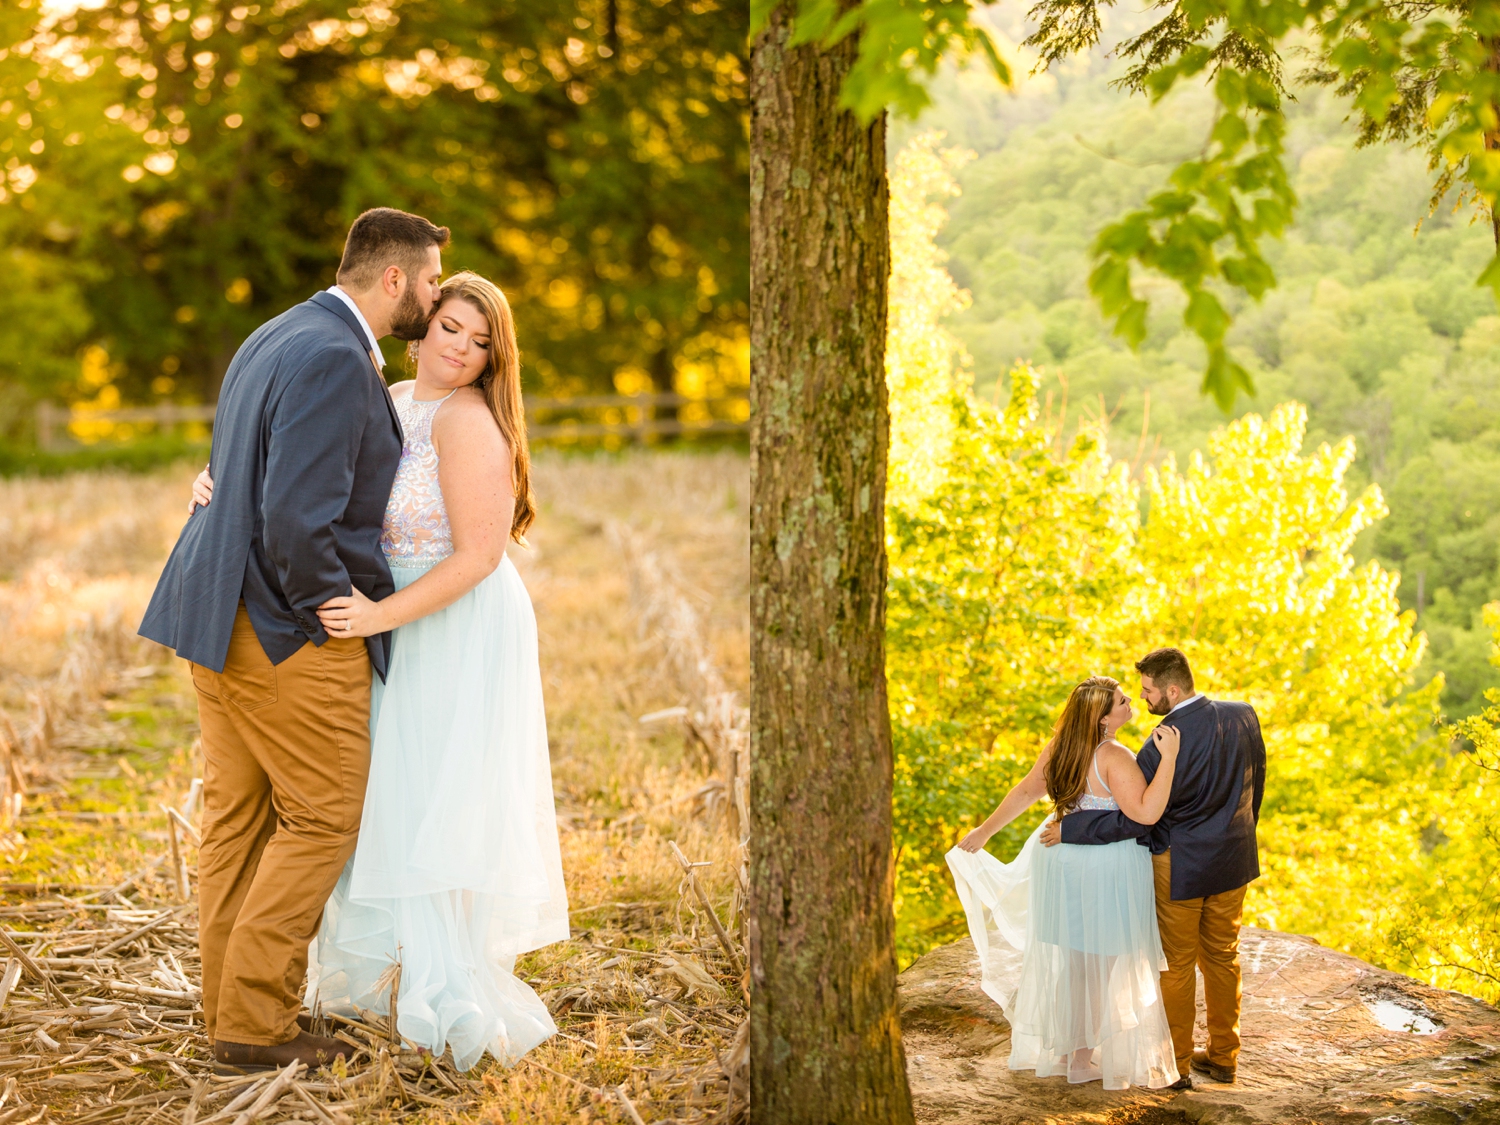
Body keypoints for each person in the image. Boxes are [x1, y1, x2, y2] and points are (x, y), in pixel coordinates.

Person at [189, 271, 569, 1071]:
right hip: (382, 618)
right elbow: (305, 481)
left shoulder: (468, 423)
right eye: (452, 327)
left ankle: (440, 980)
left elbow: (478, 556)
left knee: (432, 794)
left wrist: (374, 617)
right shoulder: (383, 394)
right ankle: (352, 983)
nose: (462, 349)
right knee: (385, 795)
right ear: (421, 324)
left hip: (444, 622)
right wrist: (218, 487)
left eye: (482, 341)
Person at [139, 207, 449, 1071]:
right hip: (282, 632)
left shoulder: (278, 332)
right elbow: (293, 515)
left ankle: (226, 1009)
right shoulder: (334, 358)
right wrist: (330, 613)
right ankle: (255, 1024)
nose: (433, 294)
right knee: (321, 817)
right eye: (429, 281)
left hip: (213, 616)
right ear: (394, 279)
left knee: (237, 820)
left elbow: (239, 468)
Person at [1040, 648, 1267, 1089]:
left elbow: (1135, 816)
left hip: (1178, 865)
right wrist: (1239, 833)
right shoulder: (1244, 715)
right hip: (1234, 859)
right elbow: (1255, 785)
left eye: (1147, 690)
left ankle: (1177, 1064)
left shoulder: (1160, 741)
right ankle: (1224, 1057)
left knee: (1177, 965)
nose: (1142, 698)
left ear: (1172, 689)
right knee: (1223, 956)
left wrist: (1074, 828)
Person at [947, 676, 1181, 1090]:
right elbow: (1145, 814)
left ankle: (1068, 1048)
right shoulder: (1115, 756)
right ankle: (1079, 1059)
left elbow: (1025, 792)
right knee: (1101, 968)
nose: (1131, 703)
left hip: (1062, 863)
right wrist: (1170, 760)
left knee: (1076, 965)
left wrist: (986, 831)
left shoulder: (1061, 748)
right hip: (1104, 867)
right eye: (1122, 701)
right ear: (1103, 718)